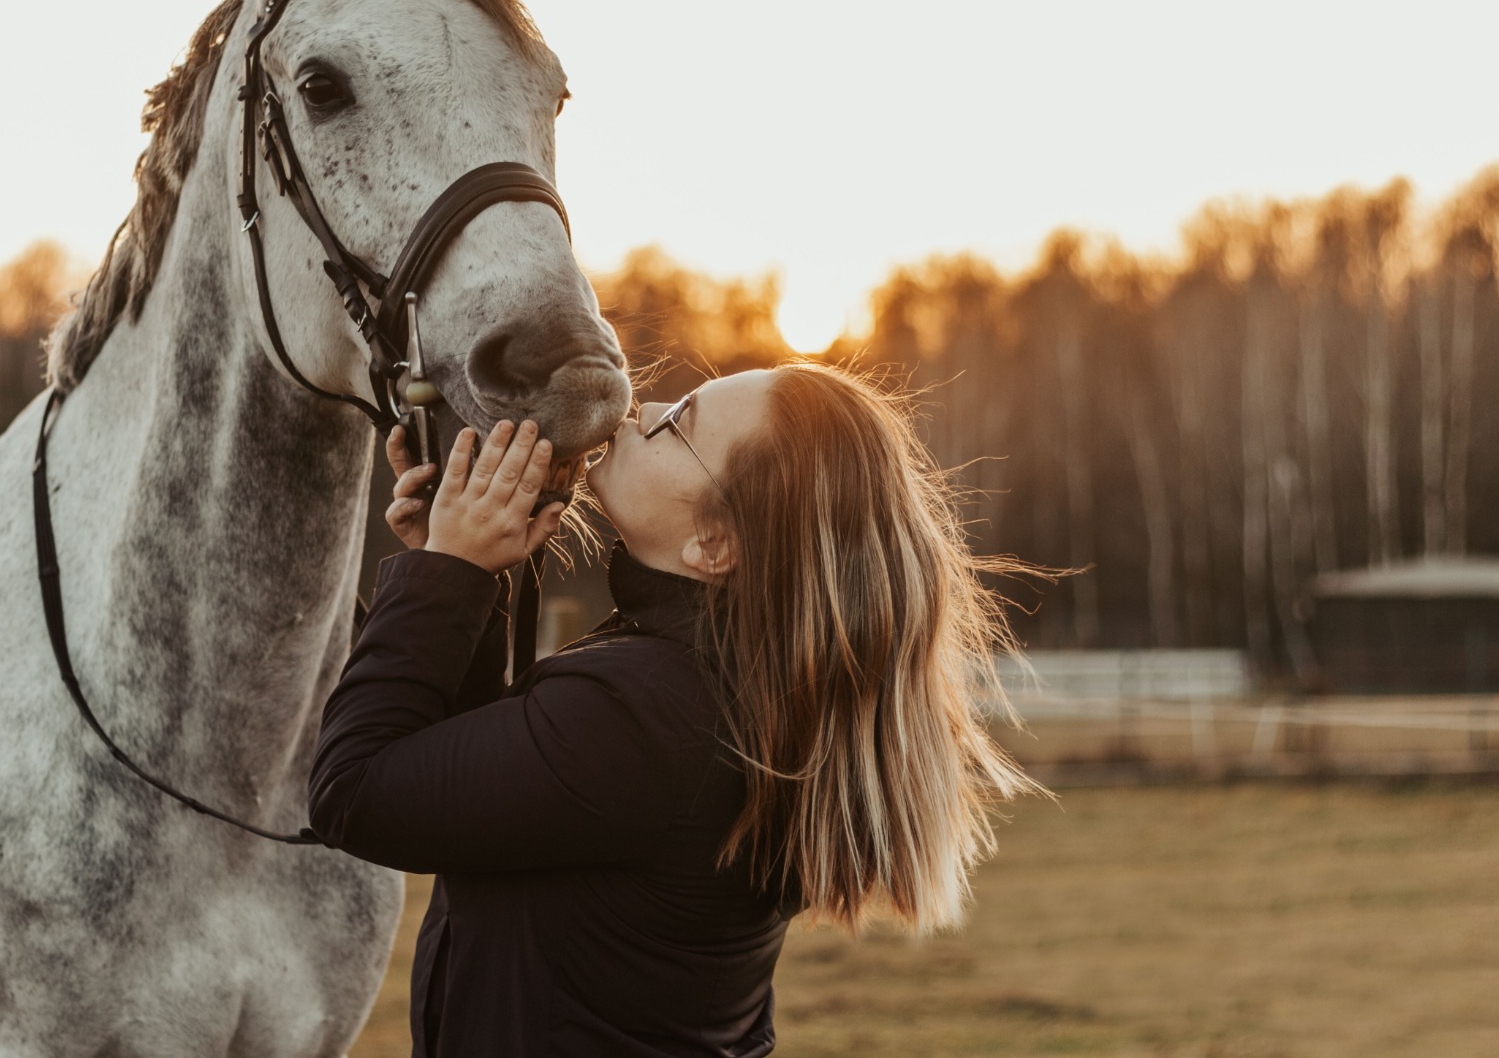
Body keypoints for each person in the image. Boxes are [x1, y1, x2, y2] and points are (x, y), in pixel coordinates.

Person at [308, 361, 1039, 1057]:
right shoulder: (716, 694)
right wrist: (459, 569)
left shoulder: (645, 713)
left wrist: (448, 572)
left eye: (679, 421)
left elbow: (354, 789)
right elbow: (476, 799)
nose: (644, 405)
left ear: (712, 544)